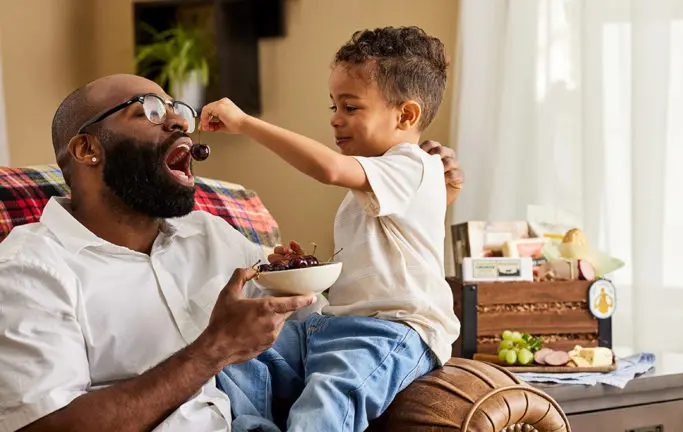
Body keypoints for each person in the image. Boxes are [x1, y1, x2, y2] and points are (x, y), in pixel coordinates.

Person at [0, 74, 464, 432]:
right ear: (87, 148)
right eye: (151, 110)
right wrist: (213, 349)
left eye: (179, 108)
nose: (180, 120)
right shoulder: (32, 268)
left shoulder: (209, 234)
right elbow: (44, 426)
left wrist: (418, 204)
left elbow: (327, 321)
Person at [200, 26, 461, 431]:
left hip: (391, 332)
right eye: (333, 106)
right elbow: (378, 258)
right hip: (334, 324)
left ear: (406, 115)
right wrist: (298, 269)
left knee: (329, 398)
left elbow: (328, 168)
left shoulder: (413, 164)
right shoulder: (376, 180)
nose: (336, 120)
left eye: (351, 107)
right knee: (237, 349)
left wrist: (247, 123)